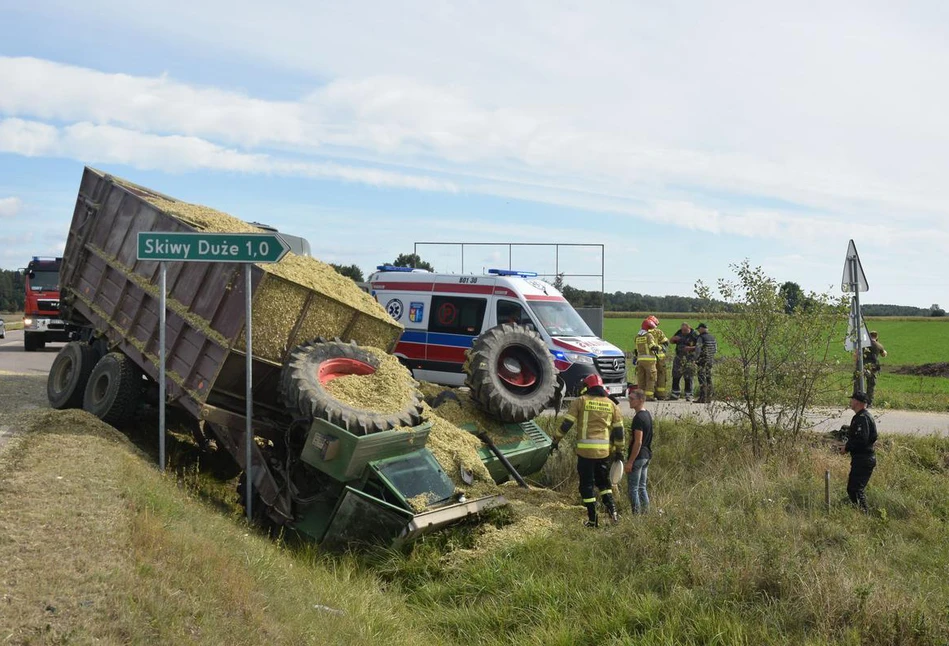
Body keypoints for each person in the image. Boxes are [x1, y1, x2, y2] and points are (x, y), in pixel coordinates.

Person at [552, 373, 625, 527]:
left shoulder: (581, 401)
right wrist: (619, 451)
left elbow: (567, 424)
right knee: (604, 484)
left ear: (587, 387)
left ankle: (593, 520)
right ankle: (614, 514)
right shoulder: (611, 404)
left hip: (585, 453)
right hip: (603, 453)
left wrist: (556, 440)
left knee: (586, 486)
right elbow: (619, 431)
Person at [840, 390, 877, 512]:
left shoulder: (862, 418)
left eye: (852, 399)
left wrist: (847, 447)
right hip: (862, 458)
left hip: (863, 459)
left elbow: (862, 439)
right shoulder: (863, 416)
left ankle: (864, 514)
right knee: (853, 489)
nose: (850, 402)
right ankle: (859, 513)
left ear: (857, 402)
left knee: (855, 490)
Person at [624, 388, 653, 514]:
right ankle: (646, 514)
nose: (629, 401)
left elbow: (638, 441)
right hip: (646, 455)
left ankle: (636, 516)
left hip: (638, 456)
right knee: (642, 487)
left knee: (633, 489)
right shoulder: (647, 414)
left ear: (641, 400)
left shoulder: (638, 418)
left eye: (632, 399)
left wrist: (630, 461)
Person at [633, 318, 662, 401]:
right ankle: (649, 396)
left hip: (640, 361)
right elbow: (652, 347)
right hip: (649, 361)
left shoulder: (637, 337)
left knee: (641, 379)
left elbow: (636, 350)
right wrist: (660, 347)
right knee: (651, 378)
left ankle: (639, 397)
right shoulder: (649, 336)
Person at [670, 322, 698, 401]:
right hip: (679, 357)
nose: (683, 331)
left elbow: (700, 346)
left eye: (685, 330)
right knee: (676, 375)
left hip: (690, 358)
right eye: (682, 330)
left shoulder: (694, 334)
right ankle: (675, 394)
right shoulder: (679, 332)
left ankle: (688, 394)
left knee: (688, 376)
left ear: (689, 328)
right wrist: (673, 339)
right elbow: (671, 341)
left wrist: (690, 348)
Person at [860, 331, 887, 406]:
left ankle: (859, 400)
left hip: (863, 366)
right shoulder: (879, 345)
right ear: (877, 337)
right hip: (873, 367)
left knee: (859, 384)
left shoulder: (864, 344)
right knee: (871, 385)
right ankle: (869, 402)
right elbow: (883, 355)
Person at [647, 315, 671, 400]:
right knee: (658, 375)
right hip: (657, 358)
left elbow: (665, 343)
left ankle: (654, 394)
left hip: (652, 358)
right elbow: (666, 343)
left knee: (652, 376)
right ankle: (660, 395)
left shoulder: (644, 333)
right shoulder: (658, 332)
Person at [693, 323, 717, 403]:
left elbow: (698, 350)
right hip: (710, 360)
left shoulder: (701, 337)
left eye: (699, 329)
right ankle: (709, 397)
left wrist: (695, 359)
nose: (698, 331)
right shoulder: (712, 337)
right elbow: (715, 350)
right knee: (709, 378)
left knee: (701, 379)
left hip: (702, 361)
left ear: (702, 328)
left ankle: (703, 398)